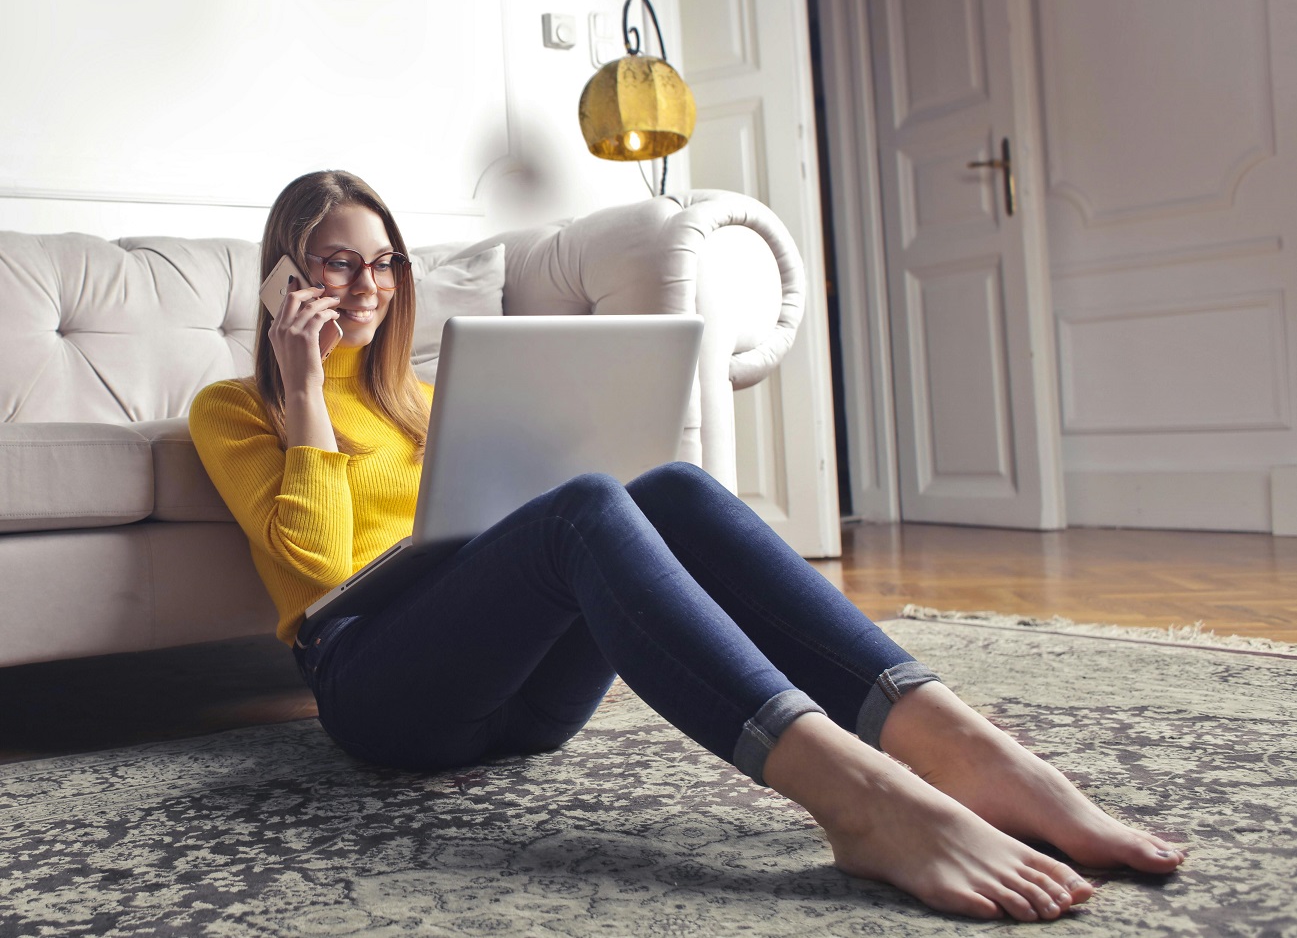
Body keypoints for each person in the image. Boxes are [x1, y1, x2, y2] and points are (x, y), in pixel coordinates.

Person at [189, 170, 1185, 923]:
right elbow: (316, 570)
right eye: (336, 260)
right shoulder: (235, 410)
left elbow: (507, 539)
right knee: (582, 503)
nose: (367, 282)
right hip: (378, 690)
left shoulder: (431, 402)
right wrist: (306, 388)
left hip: (523, 705)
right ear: (286, 272)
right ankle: (862, 796)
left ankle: (960, 746)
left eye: (383, 260)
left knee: (665, 485)